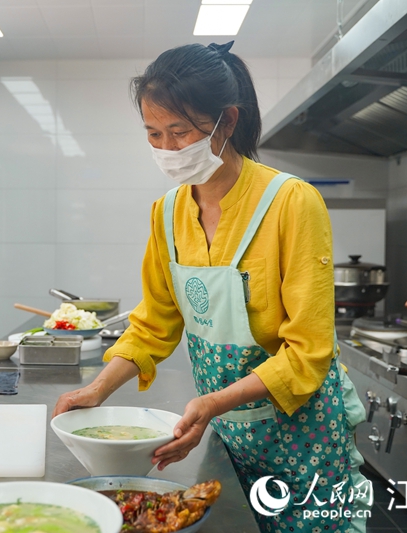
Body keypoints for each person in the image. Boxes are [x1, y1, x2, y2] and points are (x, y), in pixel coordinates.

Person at [53, 42, 370, 532]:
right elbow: (155, 324)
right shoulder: (167, 213)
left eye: (180, 132)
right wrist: (97, 389)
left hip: (302, 434)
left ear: (226, 122)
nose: (167, 149)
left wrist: (214, 402)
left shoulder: (291, 203)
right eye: (154, 134)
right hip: (228, 431)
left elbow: (309, 350)